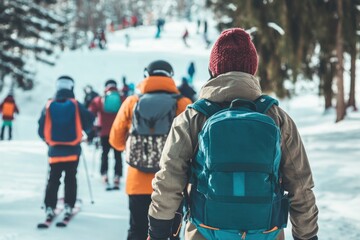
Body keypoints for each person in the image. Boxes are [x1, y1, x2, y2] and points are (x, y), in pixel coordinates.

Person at [147, 29, 319, 240]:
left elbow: (169, 179)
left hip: (206, 231)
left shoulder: (193, 117)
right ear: (252, 70)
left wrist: (158, 233)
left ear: (213, 69)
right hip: (265, 232)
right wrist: (307, 236)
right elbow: (300, 185)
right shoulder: (277, 117)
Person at [109, 60, 192, 240]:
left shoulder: (132, 102)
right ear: (170, 77)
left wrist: (136, 148)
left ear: (146, 76)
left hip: (137, 182)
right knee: (171, 234)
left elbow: (115, 141)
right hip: (171, 184)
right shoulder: (183, 103)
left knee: (137, 231)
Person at [38, 76, 94, 219]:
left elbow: (41, 129)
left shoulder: (49, 104)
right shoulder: (76, 104)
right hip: (73, 150)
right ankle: (69, 205)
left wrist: (47, 141)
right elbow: (88, 122)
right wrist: (86, 134)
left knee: (53, 178)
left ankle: (50, 206)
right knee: (71, 178)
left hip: (54, 150)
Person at [89, 79, 123, 188]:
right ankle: (117, 176)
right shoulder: (122, 98)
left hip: (104, 132)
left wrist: (94, 127)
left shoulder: (99, 99)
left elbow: (90, 113)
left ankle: (104, 174)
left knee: (105, 154)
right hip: (118, 132)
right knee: (118, 155)